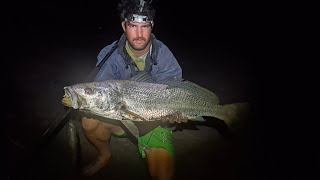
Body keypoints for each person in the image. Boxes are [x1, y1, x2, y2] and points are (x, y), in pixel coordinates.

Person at [81, 0, 182, 179]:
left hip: (153, 119)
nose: (139, 33)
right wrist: (84, 99)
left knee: (163, 176)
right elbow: (102, 92)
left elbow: (176, 93)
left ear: (152, 26)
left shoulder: (165, 56)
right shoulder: (109, 54)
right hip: (120, 117)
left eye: (145, 26)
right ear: (123, 26)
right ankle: (105, 155)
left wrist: (174, 115)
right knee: (89, 121)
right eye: (133, 26)